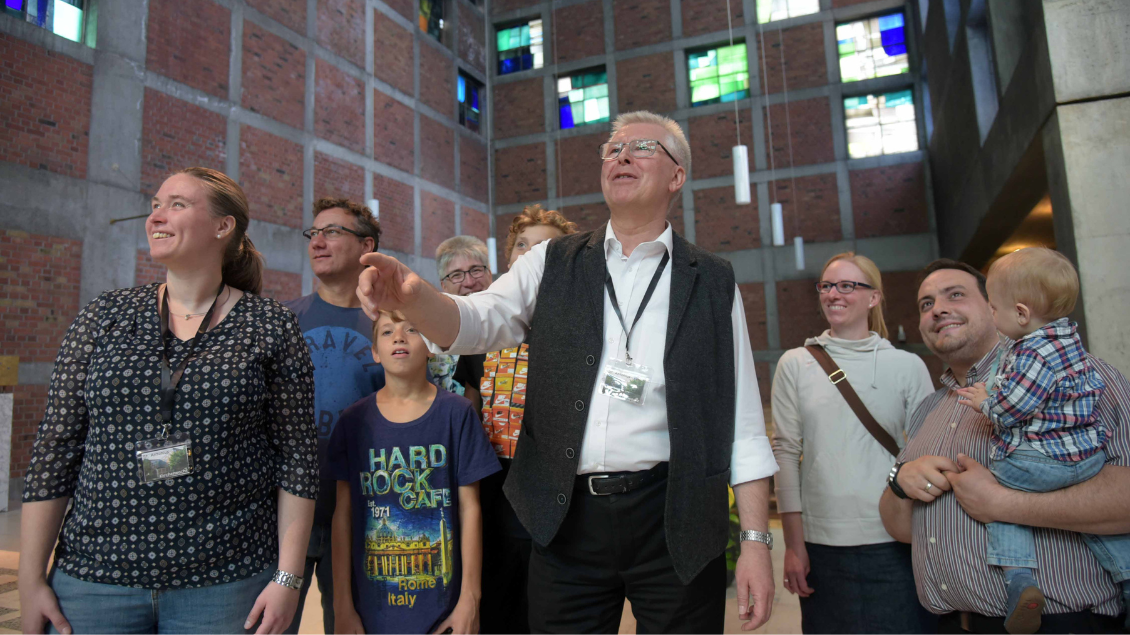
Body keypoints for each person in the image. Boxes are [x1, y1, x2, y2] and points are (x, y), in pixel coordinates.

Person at [356, 110, 778, 633]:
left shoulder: (713, 281)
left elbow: (743, 423)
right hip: (565, 514)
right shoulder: (551, 262)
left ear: (676, 176)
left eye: (642, 147)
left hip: (676, 511)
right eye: (612, 148)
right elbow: (475, 321)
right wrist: (414, 296)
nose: (620, 155)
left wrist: (757, 542)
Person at [18, 167, 318, 634]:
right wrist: (30, 577)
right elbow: (56, 448)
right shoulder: (105, 316)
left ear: (223, 226)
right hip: (97, 579)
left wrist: (287, 577)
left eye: (177, 204)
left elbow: (297, 458)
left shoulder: (270, 325)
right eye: (156, 203)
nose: (157, 215)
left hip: (227, 581)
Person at [879, 259, 1130, 634]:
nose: (938, 309)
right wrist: (901, 484)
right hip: (952, 624)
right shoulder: (927, 411)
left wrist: (1001, 504)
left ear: (997, 307)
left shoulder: (1079, 375)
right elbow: (901, 529)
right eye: (926, 304)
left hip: (1062, 624)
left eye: (955, 295)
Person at [949, 248, 1127, 632]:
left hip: (1042, 460)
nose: (992, 316)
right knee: (1087, 522)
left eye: (993, 308)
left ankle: (1019, 579)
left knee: (997, 492)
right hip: (1086, 456)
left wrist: (985, 402)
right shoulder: (1071, 341)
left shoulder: (1033, 352)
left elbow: (1013, 408)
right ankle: (1126, 572)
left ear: (1022, 314)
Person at [771, 252, 936, 633]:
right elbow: (785, 453)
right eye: (826, 286)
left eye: (847, 285)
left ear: (873, 297)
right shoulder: (796, 364)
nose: (833, 294)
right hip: (823, 545)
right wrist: (794, 547)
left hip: (895, 541)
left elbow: (929, 452)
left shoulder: (906, 366)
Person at [327, 310, 500, 634]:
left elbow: (470, 508)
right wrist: (342, 607)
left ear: (432, 345)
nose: (399, 337)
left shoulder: (457, 413)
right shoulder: (353, 422)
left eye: (412, 329)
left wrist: (470, 599)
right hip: (372, 614)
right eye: (387, 331)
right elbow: (342, 517)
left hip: (445, 609)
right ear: (375, 351)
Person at [282, 198, 385, 634]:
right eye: (313, 233)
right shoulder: (283, 321)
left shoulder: (392, 323)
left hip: (365, 517)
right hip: (287, 516)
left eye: (332, 232)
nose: (318, 242)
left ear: (367, 246)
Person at [478, 205, 577, 634]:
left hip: (560, 500)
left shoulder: (582, 334)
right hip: (495, 494)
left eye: (545, 247)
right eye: (523, 245)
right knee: (502, 610)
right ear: (509, 258)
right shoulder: (484, 331)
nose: (533, 254)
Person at [428, 236, 493, 413]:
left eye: (476, 270)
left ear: (489, 274)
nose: (469, 282)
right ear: (444, 286)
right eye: (456, 275)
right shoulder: (432, 342)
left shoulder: (514, 329)